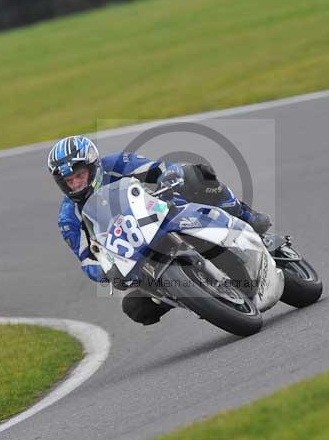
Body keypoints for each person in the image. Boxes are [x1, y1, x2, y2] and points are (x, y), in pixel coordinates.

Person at [48, 135, 271, 325]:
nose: (76, 184)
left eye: (79, 176)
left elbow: (159, 168)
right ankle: (187, 295)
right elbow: (86, 260)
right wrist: (105, 271)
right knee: (135, 307)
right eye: (69, 180)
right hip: (132, 257)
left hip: (159, 212)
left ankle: (245, 215)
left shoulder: (116, 163)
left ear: (93, 166)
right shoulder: (68, 218)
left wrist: (170, 176)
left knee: (198, 174)